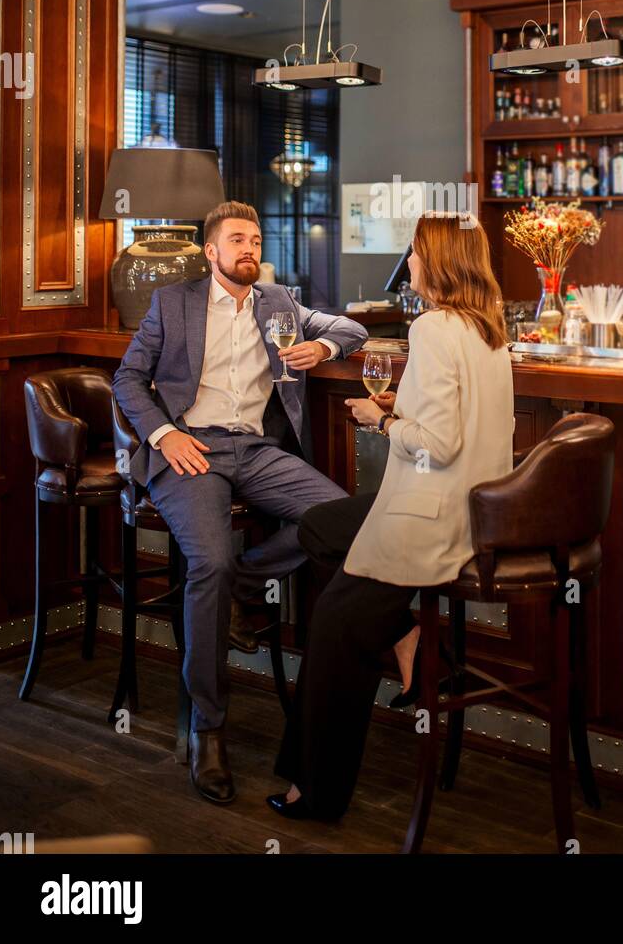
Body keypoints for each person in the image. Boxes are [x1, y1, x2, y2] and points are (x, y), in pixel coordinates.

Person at [112, 200, 367, 805]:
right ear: (211, 251)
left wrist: (324, 351)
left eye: (255, 239)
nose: (249, 249)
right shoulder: (173, 303)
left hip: (255, 450)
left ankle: (242, 587)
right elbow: (128, 378)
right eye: (237, 241)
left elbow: (351, 329)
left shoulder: (279, 303)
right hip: (188, 450)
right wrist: (164, 434)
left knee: (344, 523)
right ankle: (208, 730)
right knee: (209, 563)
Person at [269, 211, 514, 822]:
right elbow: (463, 424)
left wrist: (382, 421)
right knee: (319, 525)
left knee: (332, 621)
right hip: (473, 509)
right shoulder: (490, 329)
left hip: (430, 515)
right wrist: (399, 406)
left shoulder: (434, 327)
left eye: (415, 251)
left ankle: (315, 792)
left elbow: (437, 444)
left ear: (439, 262)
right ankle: (408, 634)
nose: (409, 263)